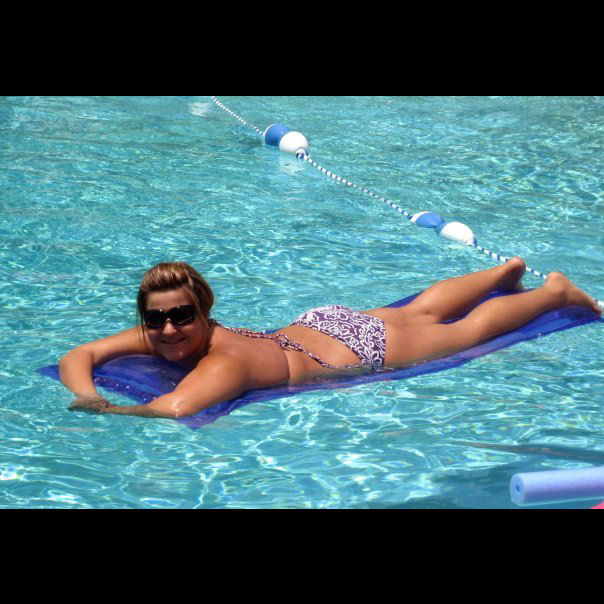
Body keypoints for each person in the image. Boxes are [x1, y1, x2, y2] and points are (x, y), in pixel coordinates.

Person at [64, 258, 601, 419]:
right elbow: (80, 354)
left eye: (181, 316)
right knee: (419, 309)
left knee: (461, 331)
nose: (168, 330)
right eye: (156, 320)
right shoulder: (166, 332)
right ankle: (503, 273)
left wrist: (109, 412)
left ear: (203, 311)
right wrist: (86, 392)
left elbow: (177, 407)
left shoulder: (225, 363)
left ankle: (555, 292)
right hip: (321, 325)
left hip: (359, 351)